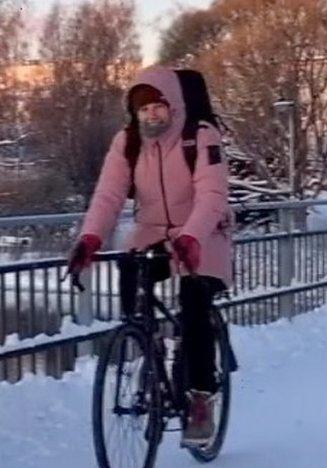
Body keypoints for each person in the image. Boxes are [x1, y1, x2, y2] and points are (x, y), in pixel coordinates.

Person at [66, 66, 234, 447]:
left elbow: (212, 196)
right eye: (142, 110)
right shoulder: (127, 142)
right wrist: (90, 238)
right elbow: (108, 195)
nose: (150, 116)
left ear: (173, 105)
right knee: (131, 276)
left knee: (193, 298)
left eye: (158, 106)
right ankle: (148, 347)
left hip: (203, 232)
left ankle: (200, 397)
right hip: (153, 233)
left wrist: (192, 236)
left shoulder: (200, 136)